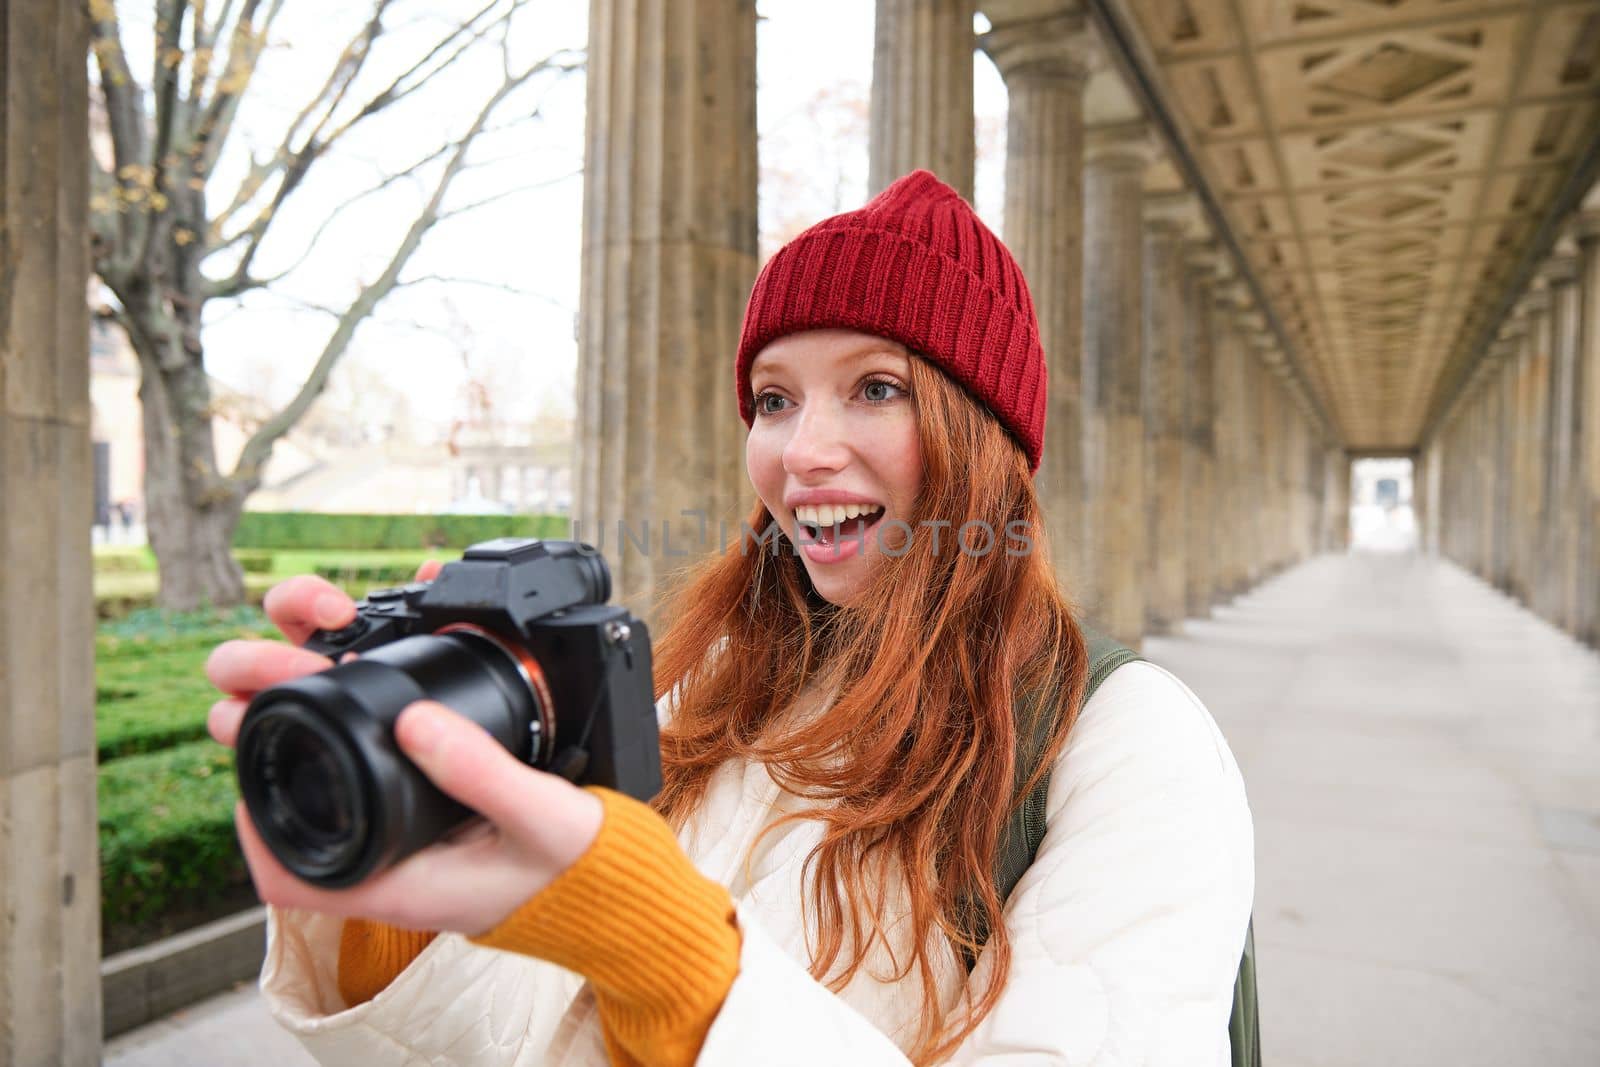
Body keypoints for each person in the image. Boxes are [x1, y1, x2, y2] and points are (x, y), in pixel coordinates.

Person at [205, 170, 1254, 1066]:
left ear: (986, 435)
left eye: (876, 386)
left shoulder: (1127, 742)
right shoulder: (706, 691)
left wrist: (679, 965)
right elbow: (539, 1029)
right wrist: (396, 892)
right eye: (773, 398)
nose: (800, 451)